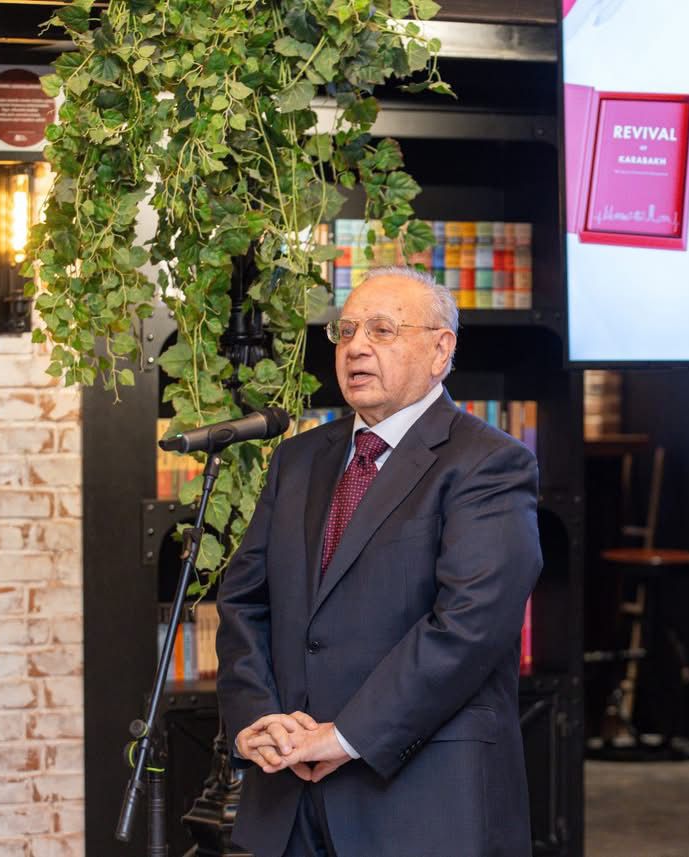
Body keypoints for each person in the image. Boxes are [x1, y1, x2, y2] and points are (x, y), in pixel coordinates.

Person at [216, 266, 543, 857]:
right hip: (287, 796)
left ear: (440, 350)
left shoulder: (489, 463)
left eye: (383, 330)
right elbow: (244, 600)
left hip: (419, 800)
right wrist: (257, 719)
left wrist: (345, 736)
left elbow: (470, 624)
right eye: (345, 331)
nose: (356, 347)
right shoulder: (297, 459)